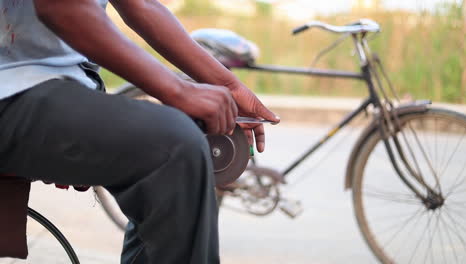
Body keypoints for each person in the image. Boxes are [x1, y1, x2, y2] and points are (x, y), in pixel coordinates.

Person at [0, 0, 279, 263]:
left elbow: (142, 5)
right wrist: (178, 90)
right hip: (12, 86)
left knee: (180, 139)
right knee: (173, 149)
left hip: (43, 83)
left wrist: (230, 87)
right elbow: (62, 8)